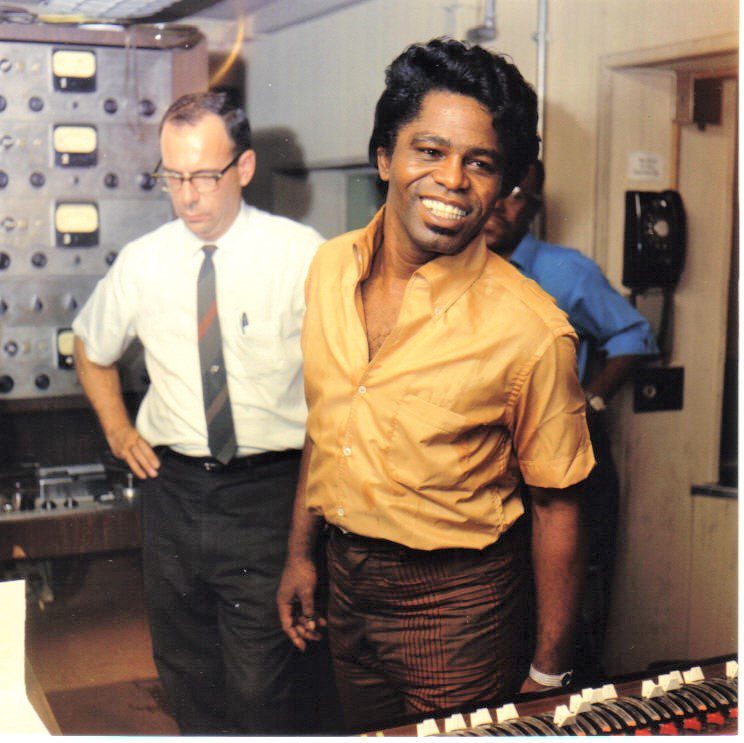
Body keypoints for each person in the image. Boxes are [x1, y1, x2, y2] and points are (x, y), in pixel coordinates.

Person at [276, 38, 596, 733]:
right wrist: (302, 553)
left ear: (503, 185)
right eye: (430, 150)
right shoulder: (329, 269)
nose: (453, 179)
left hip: (457, 606)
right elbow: (328, 428)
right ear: (386, 157)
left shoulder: (532, 330)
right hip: (344, 582)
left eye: (479, 163)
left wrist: (548, 671)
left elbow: (557, 507)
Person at [72, 91, 324, 734]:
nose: (187, 197)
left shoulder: (302, 257)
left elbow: (339, 389)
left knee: (260, 683)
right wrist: (118, 428)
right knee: (185, 671)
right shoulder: (143, 261)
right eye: (173, 177)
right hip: (173, 492)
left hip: (269, 494)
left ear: (242, 168)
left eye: (204, 176)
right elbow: (90, 346)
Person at [482, 159, 659, 683]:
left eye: (519, 195)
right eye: (498, 188)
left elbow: (633, 337)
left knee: (564, 601)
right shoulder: (451, 267)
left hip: (559, 448)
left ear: (533, 209)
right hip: (491, 458)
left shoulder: (565, 270)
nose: (501, 205)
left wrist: (590, 401)